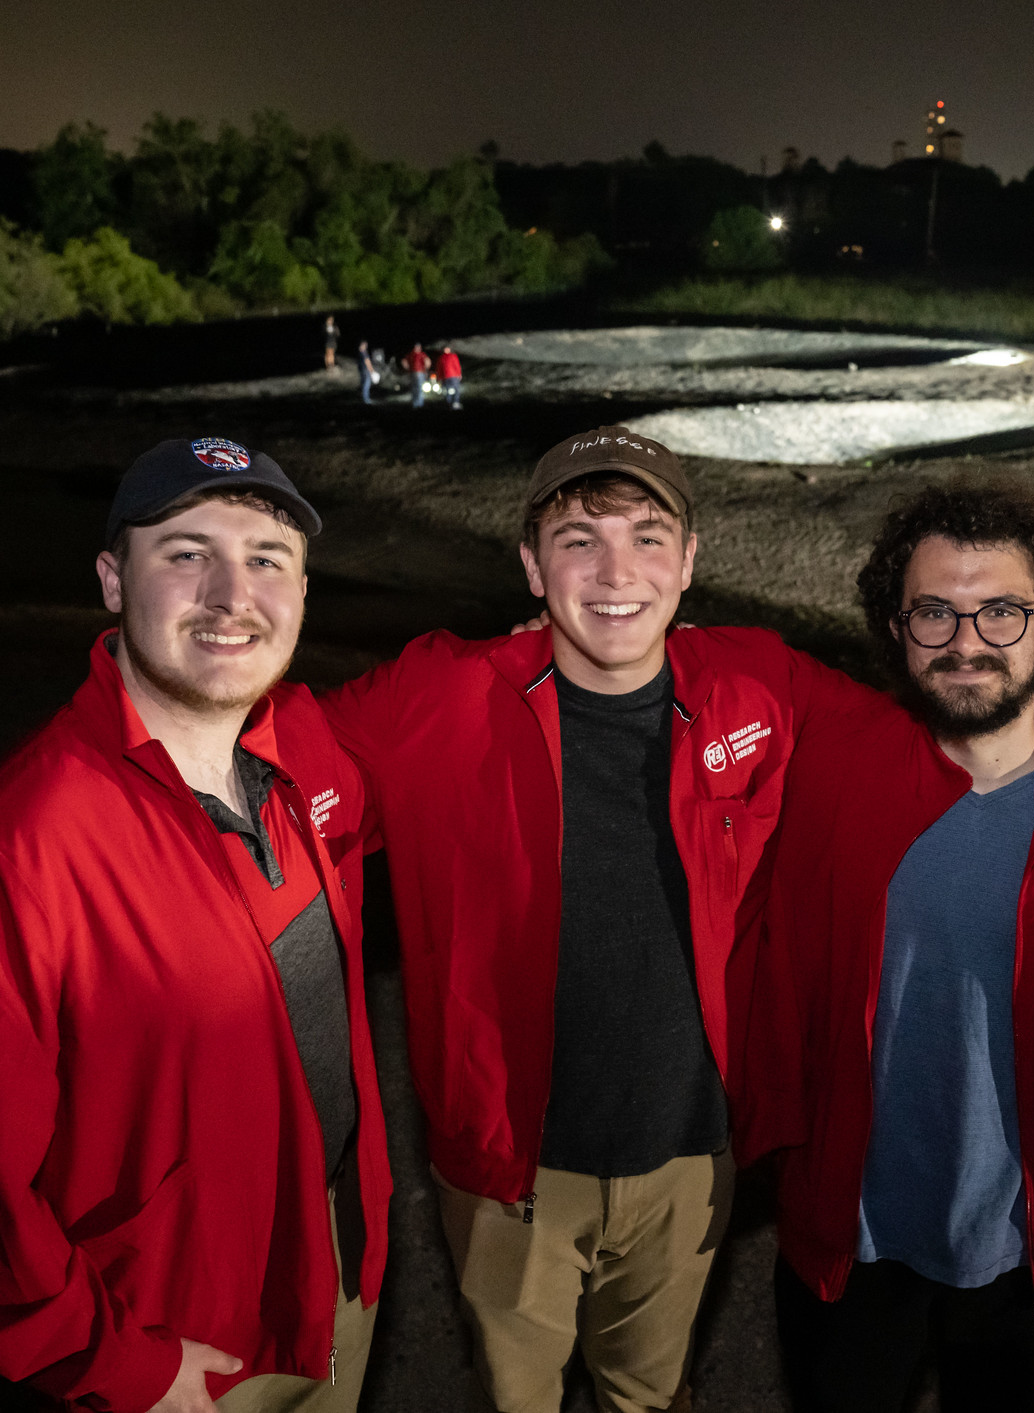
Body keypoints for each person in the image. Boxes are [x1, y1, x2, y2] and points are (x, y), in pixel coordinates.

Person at [320, 427, 868, 1413]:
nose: (615, 572)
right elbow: (257, 777)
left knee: (645, 1395)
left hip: (690, 1158)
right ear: (532, 567)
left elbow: (929, 761)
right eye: (578, 539)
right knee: (516, 1393)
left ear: (690, 561)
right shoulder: (437, 696)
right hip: (507, 1169)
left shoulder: (760, 686)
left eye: (647, 536)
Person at [0, 437, 393, 1413]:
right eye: (185, 552)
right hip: (176, 1344)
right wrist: (131, 1373)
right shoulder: (10, 851)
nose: (229, 592)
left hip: (337, 1265)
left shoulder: (308, 756)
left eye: (266, 558)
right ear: (113, 581)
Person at [745, 482, 1034, 1413]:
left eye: (1001, 611)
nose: (966, 640)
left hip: (1031, 1244)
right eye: (933, 611)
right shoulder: (828, 772)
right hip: (848, 1234)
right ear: (895, 628)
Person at [434, 343, 463, 409]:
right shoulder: (443, 357)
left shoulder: (450, 356)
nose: (446, 350)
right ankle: (451, 403)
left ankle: (453, 403)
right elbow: (439, 369)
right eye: (445, 349)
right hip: (449, 377)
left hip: (451, 376)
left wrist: (459, 374)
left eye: (447, 348)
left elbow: (457, 366)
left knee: (453, 390)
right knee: (451, 390)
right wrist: (439, 377)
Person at [406, 342, 431, 408]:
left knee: (419, 388)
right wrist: (408, 367)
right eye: (416, 347)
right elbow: (404, 361)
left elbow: (427, 362)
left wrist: (425, 369)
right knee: (415, 388)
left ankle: (419, 403)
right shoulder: (411, 354)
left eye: (418, 347)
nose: (417, 348)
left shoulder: (422, 354)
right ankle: (416, 403)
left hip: (420, 373)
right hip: (413, 373)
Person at [356, 340, 376, 404]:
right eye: (365, 345)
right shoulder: (364, 352)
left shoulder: (359, 352)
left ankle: (362, 398)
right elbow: (367, 362)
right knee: (366, 385)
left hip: (361, 370)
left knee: (363, 384)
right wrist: (372, 370)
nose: (366, 346)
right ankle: (366, 399)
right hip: (366, 370)